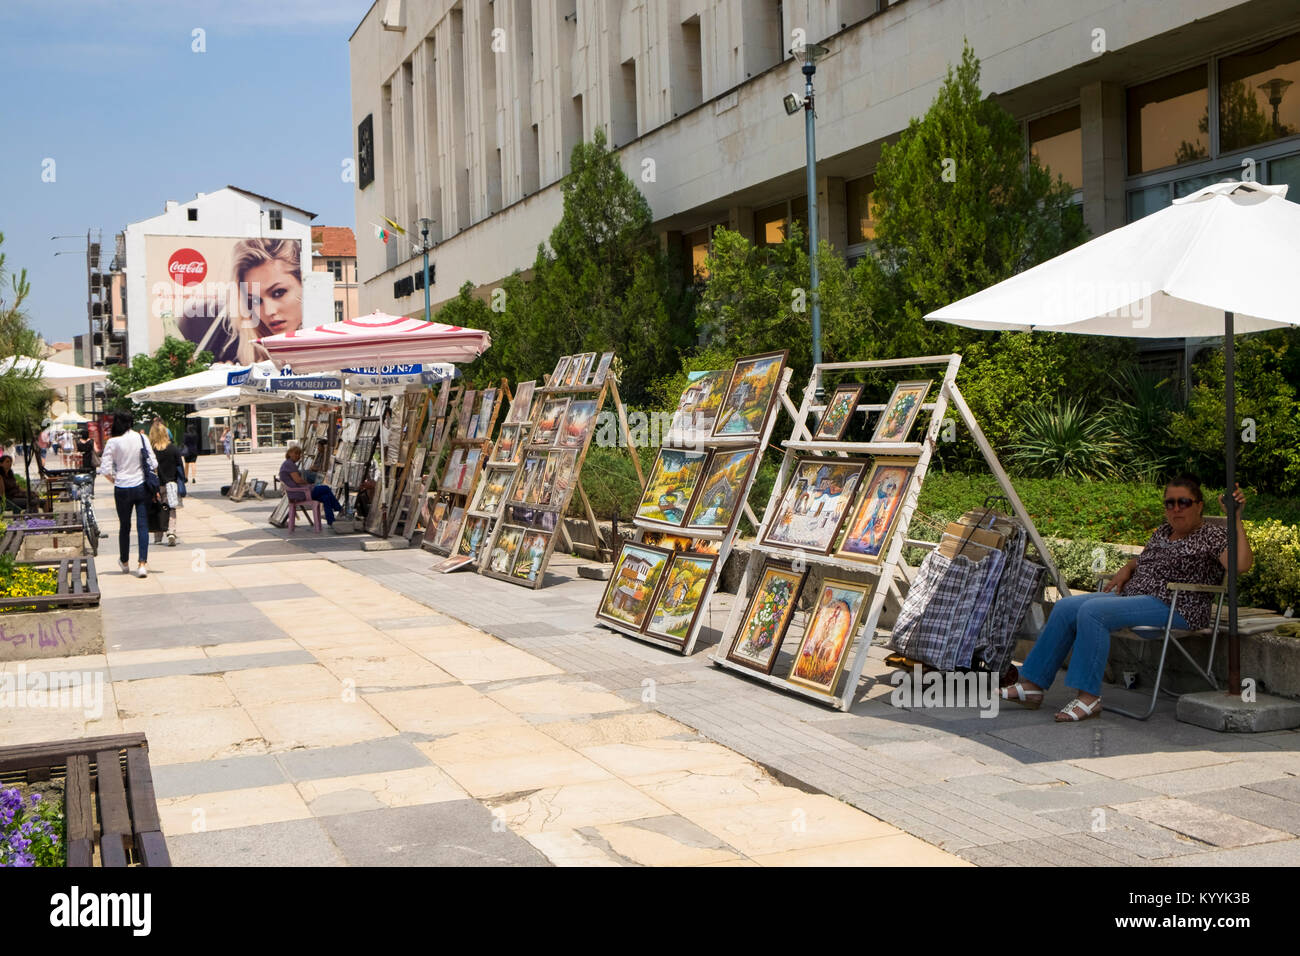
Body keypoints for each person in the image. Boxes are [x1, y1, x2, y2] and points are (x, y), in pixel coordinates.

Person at [1002, 475, 1253, 722]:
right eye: (1170, 503)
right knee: (1066, 606)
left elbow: (1240, 565)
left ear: (1198, 505)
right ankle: (1033, 685)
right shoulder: (1164, 532)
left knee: (1093, 612)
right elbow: (1145, 560)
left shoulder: (1213, 535)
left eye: (1183, 502)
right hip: (1136, 598)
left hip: (1176, 605)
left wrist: (1236, 517)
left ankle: (1089, 698)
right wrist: (1129, 567)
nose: (1176, 508)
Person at [99, 411, 158, 578]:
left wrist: (114, 480)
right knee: (143, 526)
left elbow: (105, 469)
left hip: (122, 487)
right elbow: (153, 462)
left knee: (124, 526)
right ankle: (142, 564)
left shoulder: (113, 442)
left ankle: (124, 562)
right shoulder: (141, 438)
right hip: (141, 486)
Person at [233, 237, 304, 364]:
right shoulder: (253, 363)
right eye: (255, 301)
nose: (268, 311)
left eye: (278, 293)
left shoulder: (332, 351)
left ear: (303, 283)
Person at [279, 445, 342, 527]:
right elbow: (298, 480)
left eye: (299, 454)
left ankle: (331, 521)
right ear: (290, 453)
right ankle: (340, 509)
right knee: (326, 488)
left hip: (297, 492)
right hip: (300, 493)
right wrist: (308, 484)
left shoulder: (287, 464)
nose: (298, 456)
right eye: (296, 454)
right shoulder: (289, 464)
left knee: (326, 497)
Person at [147, 420, 184, 547]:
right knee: (171, 508)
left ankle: (158, 536)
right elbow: (180, 465)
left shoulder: (151, 450)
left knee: (157, 508)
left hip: (156, 485)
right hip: (171, 483)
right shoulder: (173, 448)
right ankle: (171, 531)